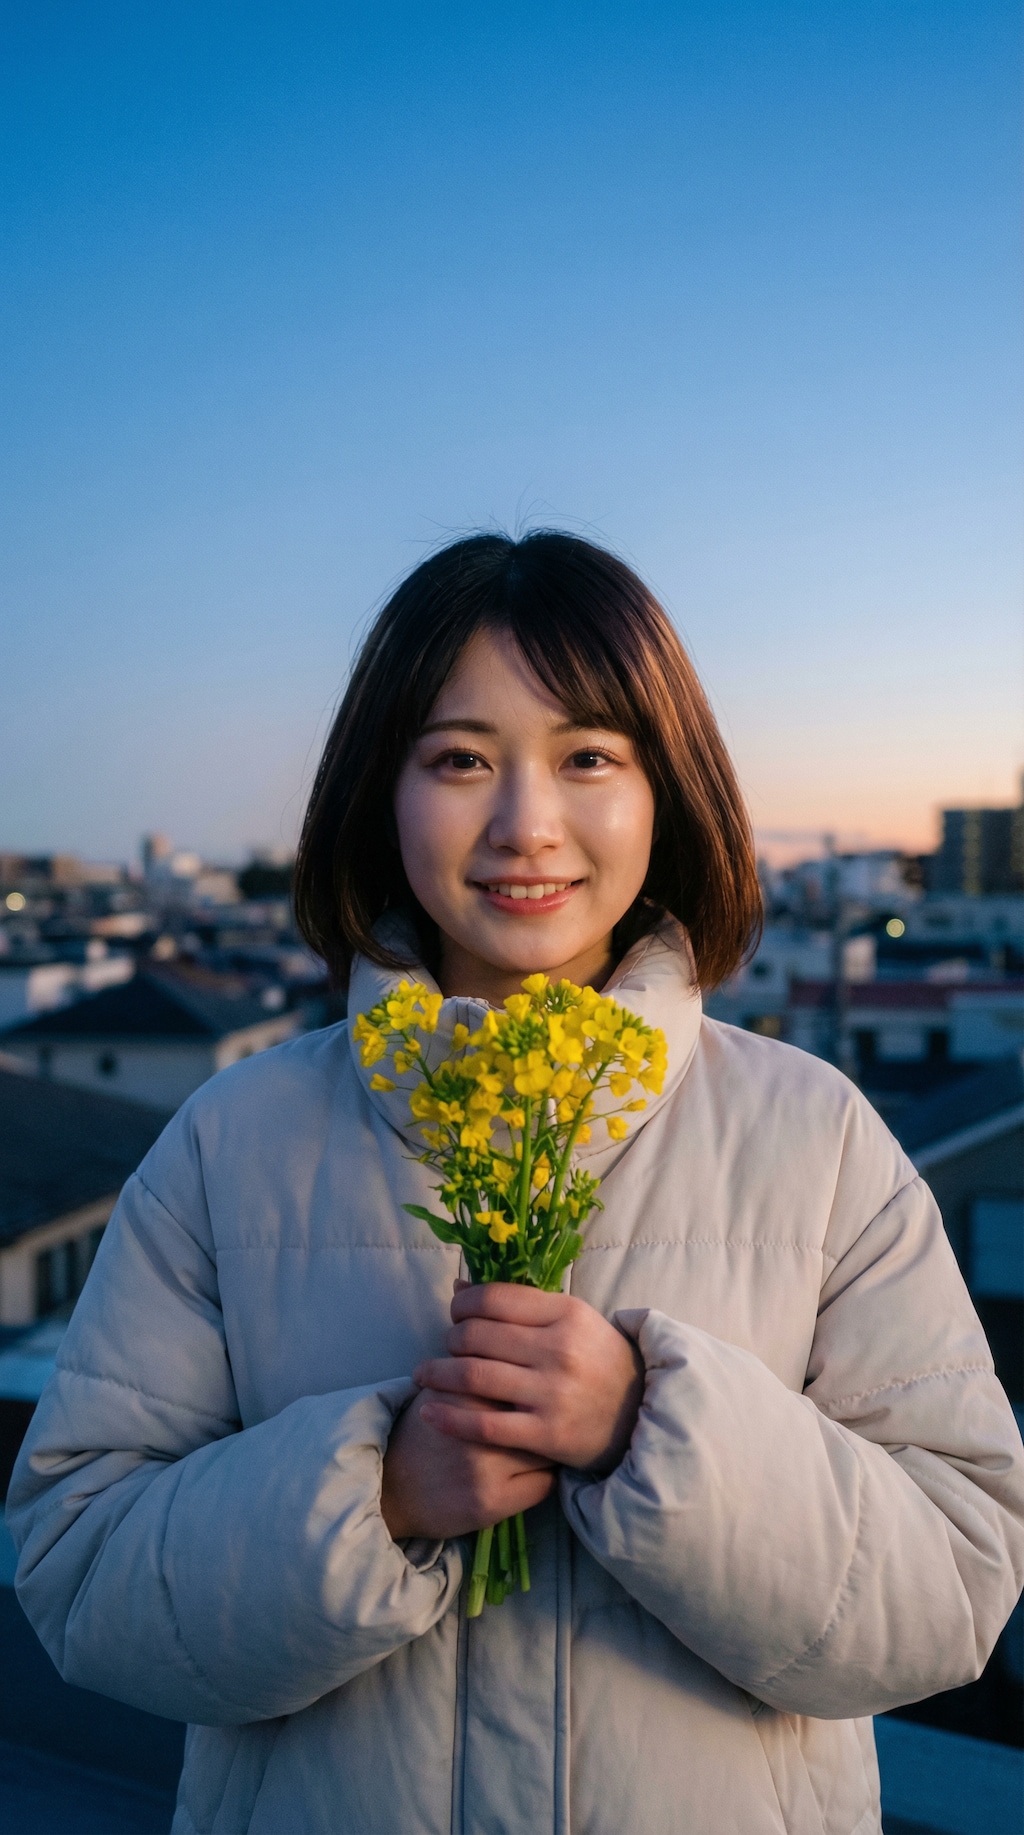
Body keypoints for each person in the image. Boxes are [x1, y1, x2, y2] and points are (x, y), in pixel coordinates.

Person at [8, 532, 1023, 1835]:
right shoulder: (230, 1144)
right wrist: (376, 1495)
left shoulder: (817, 1138)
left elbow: (958, 1585)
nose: (525, 823)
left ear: (669, 792)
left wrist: (645, 1433)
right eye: (460, 760)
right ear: (382, 790)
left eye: (589, 757)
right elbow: (78, 1571)